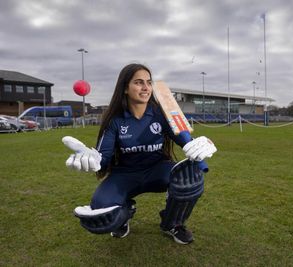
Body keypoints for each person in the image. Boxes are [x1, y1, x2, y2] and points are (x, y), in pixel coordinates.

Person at [62, 63, 217, 244]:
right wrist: (92, 159)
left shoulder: (162, 114)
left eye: (149, 82)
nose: (145, 88)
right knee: (101, 214)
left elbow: (187, 142)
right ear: (125, 88)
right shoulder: (115, 120)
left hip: (157, 171)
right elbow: (103, 159)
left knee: (190, 177)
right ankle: (125, 213)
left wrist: (203, 143)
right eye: (138, 82)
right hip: (125, 175)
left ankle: (172, 223)